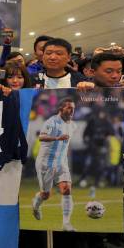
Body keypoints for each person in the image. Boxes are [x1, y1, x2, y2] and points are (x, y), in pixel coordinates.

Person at [31, 97, 78, 232]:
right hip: (46, 163)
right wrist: (57, 137)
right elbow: (41, 137)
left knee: (66, 189)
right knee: (45, 195)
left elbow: (65, 144)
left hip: (62, 162)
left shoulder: (72, 125)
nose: (72, 110)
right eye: (69, 107)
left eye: (73, 108)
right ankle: (36, 204)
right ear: (61, 109)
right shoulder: (51, 122)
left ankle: (66, 224)